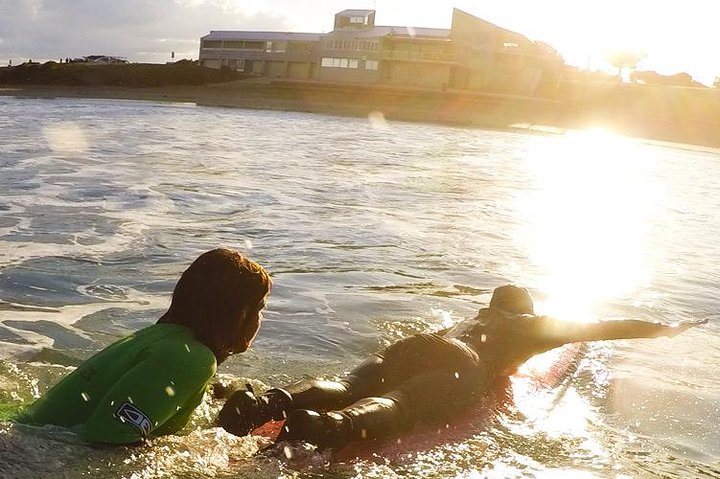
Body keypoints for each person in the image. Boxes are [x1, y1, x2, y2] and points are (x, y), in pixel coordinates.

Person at [217, 285, 706, 449]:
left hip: (418, 344)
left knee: (349, 382)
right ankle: (324, 428)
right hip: (462, 367)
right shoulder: (531, 326)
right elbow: (602, 327)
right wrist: (666, 328)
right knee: (400, 402)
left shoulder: (476, 315)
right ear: (527, 308)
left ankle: (272, 400)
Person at [18, 248, 271, 445]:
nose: (261, 319)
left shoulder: (161, 338)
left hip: (21, 438)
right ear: (237, 314)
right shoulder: (190, 358)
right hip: (21, 456)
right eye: (260, 308)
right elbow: (106, 439)